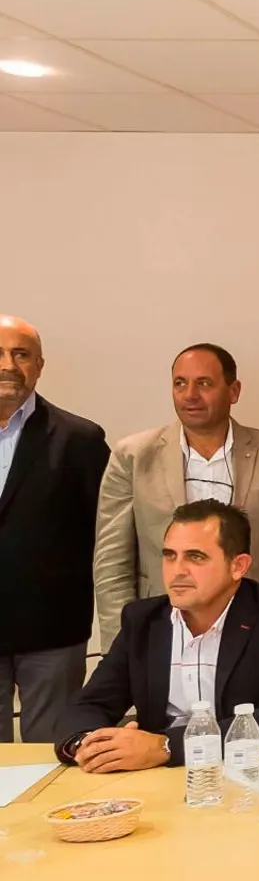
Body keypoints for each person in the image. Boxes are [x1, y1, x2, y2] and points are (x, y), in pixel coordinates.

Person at [54, 500, 259, 770]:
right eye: (170, 555)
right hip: (157, 777)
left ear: (238, 566)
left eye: (196, 557)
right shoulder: (143, 620)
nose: (178, 570)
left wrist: (166, 747)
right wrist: (90, 745)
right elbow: (89, 704)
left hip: (244, 771)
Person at [94, 343, 259, 652]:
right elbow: (112, 562)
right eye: (180, 383)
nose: (190, 394)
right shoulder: (133, 456)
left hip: (251, 628)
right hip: (161, 627)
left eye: (204, 383)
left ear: (233, 391)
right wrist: (122, 644)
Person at [0, 315, 109, 743]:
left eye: (21, 354)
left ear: (39, 365)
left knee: (50, 758)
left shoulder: (80, 439)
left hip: (53, 636)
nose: (8, 365)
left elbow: (105, 537)